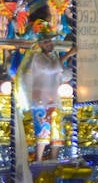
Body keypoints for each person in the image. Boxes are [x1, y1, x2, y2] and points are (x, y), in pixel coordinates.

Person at [15, 24, 67, 161]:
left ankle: (54, 158)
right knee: (43, 130)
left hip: (53, 99)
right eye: (46, 42)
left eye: (50, 41)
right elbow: (51, 69)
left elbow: (60, 73)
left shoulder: (52, 56)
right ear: (40, 45)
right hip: (40, 100)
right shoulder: (37, 58)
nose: (49, 44)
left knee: (57, 131)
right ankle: (38, 159)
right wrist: (70, 53)